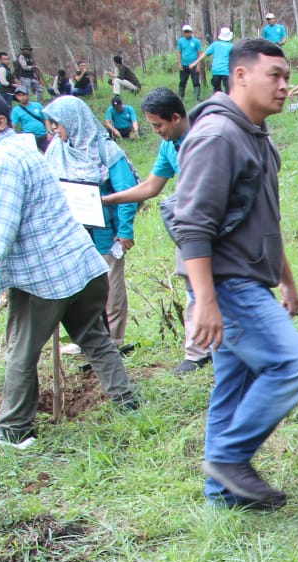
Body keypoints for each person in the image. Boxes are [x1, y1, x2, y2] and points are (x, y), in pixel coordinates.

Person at [171, 38, 298, 510]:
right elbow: (191, 224)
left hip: (249, 279)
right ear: (239, 76)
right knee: (293, 363)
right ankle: (231, 460)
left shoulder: (256, 136)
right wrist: (205, 299)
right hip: (226, 283)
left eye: (287, 77)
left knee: (231, 387)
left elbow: (265, 220)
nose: (284, 85)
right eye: (274, 75)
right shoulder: (218, 136)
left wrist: (287, 282)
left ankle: (222, 496)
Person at [0, 88, 137, 450]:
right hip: (80, 266)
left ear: (0, 121)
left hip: (44, 278)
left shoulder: (4, 159)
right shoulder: (23, 149)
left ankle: (15, 430)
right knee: (94, 337)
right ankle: (129, 402)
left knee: (21, 351)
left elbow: (0, 220)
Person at [101, 87, 212, 378]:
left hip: (219, 222)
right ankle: (198, 351)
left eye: (157, 125)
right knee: (192, 284)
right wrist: (108, 199)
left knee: (227, 285)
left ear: (175, 117)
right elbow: (151, 186)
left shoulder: (207, 138)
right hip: (188, 223)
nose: (155, 131)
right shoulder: (169, 145)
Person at [43, 96, 139, 350]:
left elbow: (128, 192)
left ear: (74, 121)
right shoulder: (56, 150)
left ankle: (113, 340)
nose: (54, 128)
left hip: (106, 234)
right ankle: (90, 337)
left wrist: (125, 230)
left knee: (110, 288)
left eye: (57, 123)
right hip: (74, 235)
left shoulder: (105, 150)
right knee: (82, 289)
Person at [10, 85, 49, 152]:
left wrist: (49, 132)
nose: (21, 97)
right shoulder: (16, 110)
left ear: (28, 95)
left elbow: (46, 119)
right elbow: (13, 125)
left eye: (23, 95)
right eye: (19, 95)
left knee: (49, 154)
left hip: (43, 135)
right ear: (16, 97)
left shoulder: (38, 106)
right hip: (29, 138)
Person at [177, 24, 205, 102]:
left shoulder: (196, 41)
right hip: (184, 65)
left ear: (191, 32)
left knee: (196, 82)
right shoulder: (181, 41)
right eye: (185, 32)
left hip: (194, 65)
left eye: (188, 32)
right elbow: (179, 52)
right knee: (182, 81)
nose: (187, 33)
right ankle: (181, 97)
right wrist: (179, 63)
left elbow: (200, 53)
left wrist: (198, 65)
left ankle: (197, 98)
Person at [204, 28, 234, 94]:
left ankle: (217, 102)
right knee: (228, 90)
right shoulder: (231, 46)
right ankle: (227, 102)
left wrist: (195, 63)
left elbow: (205, 54)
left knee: (216, 90)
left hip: (216, 70)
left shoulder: (215, 44)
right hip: (226, 71)